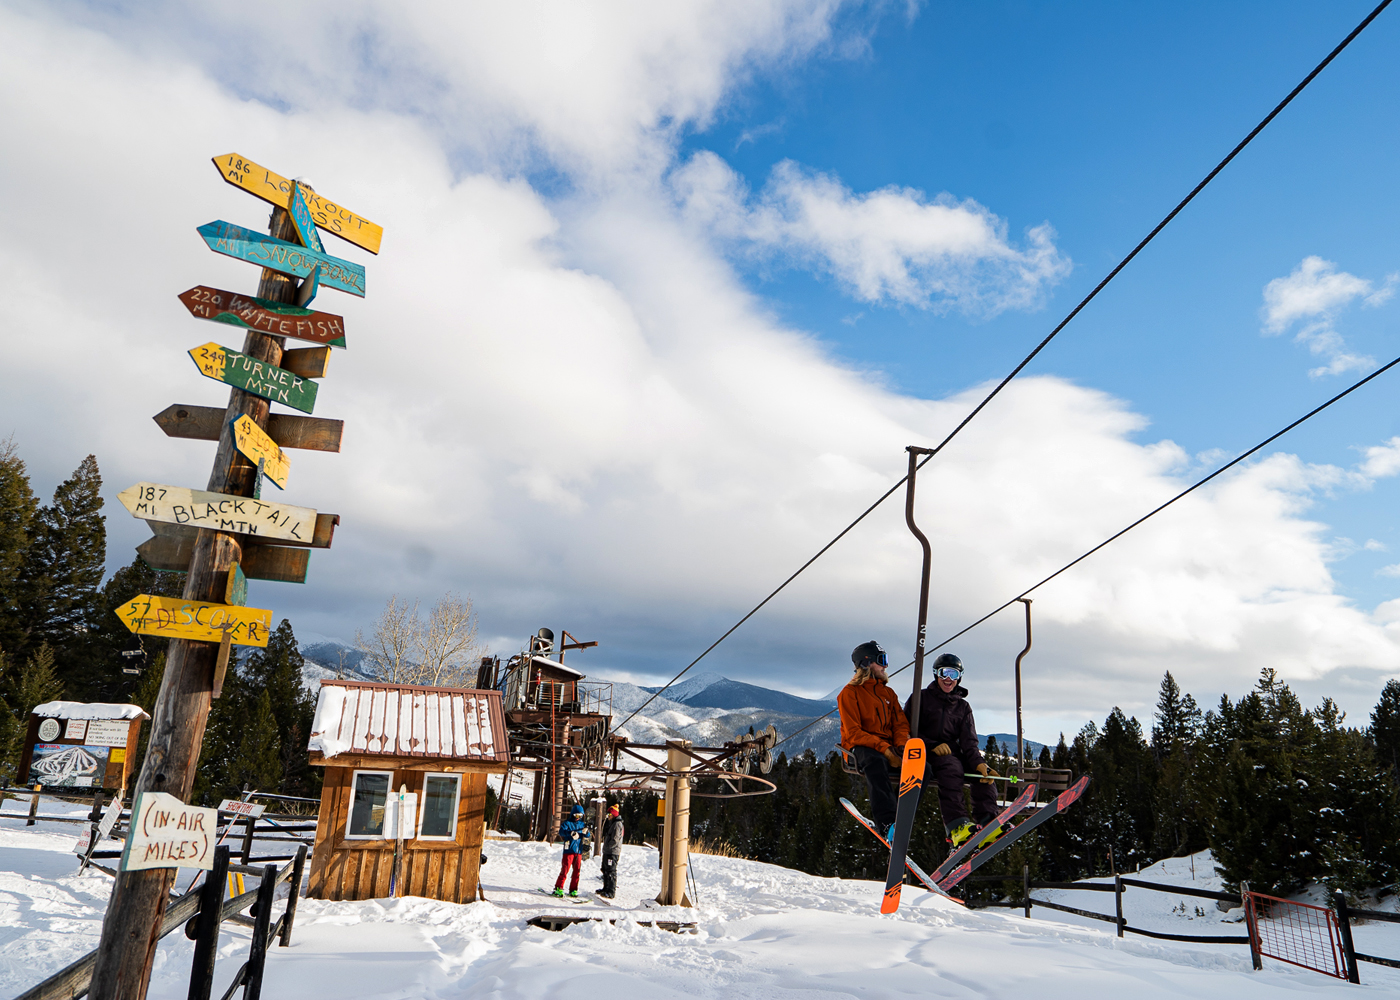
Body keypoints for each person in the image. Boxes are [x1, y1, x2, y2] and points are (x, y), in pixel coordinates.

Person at [904, 652, 1001, 848]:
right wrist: (930, 745)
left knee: (982, 774)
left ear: (960, 677)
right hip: (925, 753)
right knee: (952, 768)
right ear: (935, 674)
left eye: (953, 674)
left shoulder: (963, 707)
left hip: (952, 752)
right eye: (944, 673)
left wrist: (980, 764)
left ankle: (988, 821)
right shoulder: (920, 698)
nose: (948, 679)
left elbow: (969, 743)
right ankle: (957, 826)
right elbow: (905, 731)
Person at [838, 640, 910, 841]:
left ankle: (898, 816)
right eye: (882, 660)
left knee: (924, 769)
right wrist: (886, 750)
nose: (885, 666)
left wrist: (901, 746)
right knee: (875, 761)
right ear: (866, 664)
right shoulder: (849, 694)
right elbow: (853, 732)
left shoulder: (888, 693)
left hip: (888, 747)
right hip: (860, 748)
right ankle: (887, 821)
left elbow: (900, 725)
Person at [552, 803, 590, 897]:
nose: (578, 817)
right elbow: (561, 832)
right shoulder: (567, 823)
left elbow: (587, 835)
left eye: (580, 816)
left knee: (577, 871)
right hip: (569, 850)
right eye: (576, 815)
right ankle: (558, 888)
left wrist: (587, 832)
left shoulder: (582, 824)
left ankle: (573, 889)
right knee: (565, 870)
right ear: (573, 814)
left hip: (578, 851)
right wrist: (571, 833)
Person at [598, 803, 624, 899]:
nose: (608, 816)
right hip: (608, 851)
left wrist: (608, 846)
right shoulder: (612, 823)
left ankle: (611, 891)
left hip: (612, 852)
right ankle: (605, 888)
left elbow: (615, 839)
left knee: (611, 871)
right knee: (605, 870)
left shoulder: (617, 824)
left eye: (609, 815)